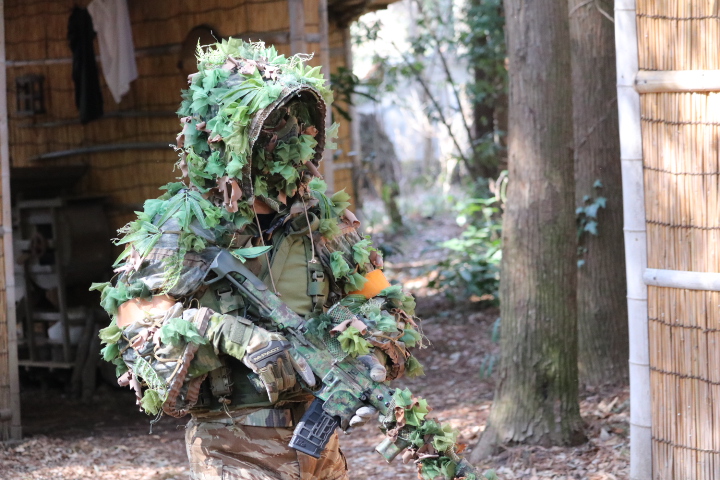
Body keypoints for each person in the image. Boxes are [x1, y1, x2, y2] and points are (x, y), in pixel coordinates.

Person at [93, 39, 425, 480]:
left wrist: (370, 357)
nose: (285, 141)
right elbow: (136, 335)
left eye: (293, 126)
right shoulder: (181, 227)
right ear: (227, 141)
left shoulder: (324, 222)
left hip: (321, 453)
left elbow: (390, 311)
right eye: (269, 129)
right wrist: (228, 335)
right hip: (233, 449)